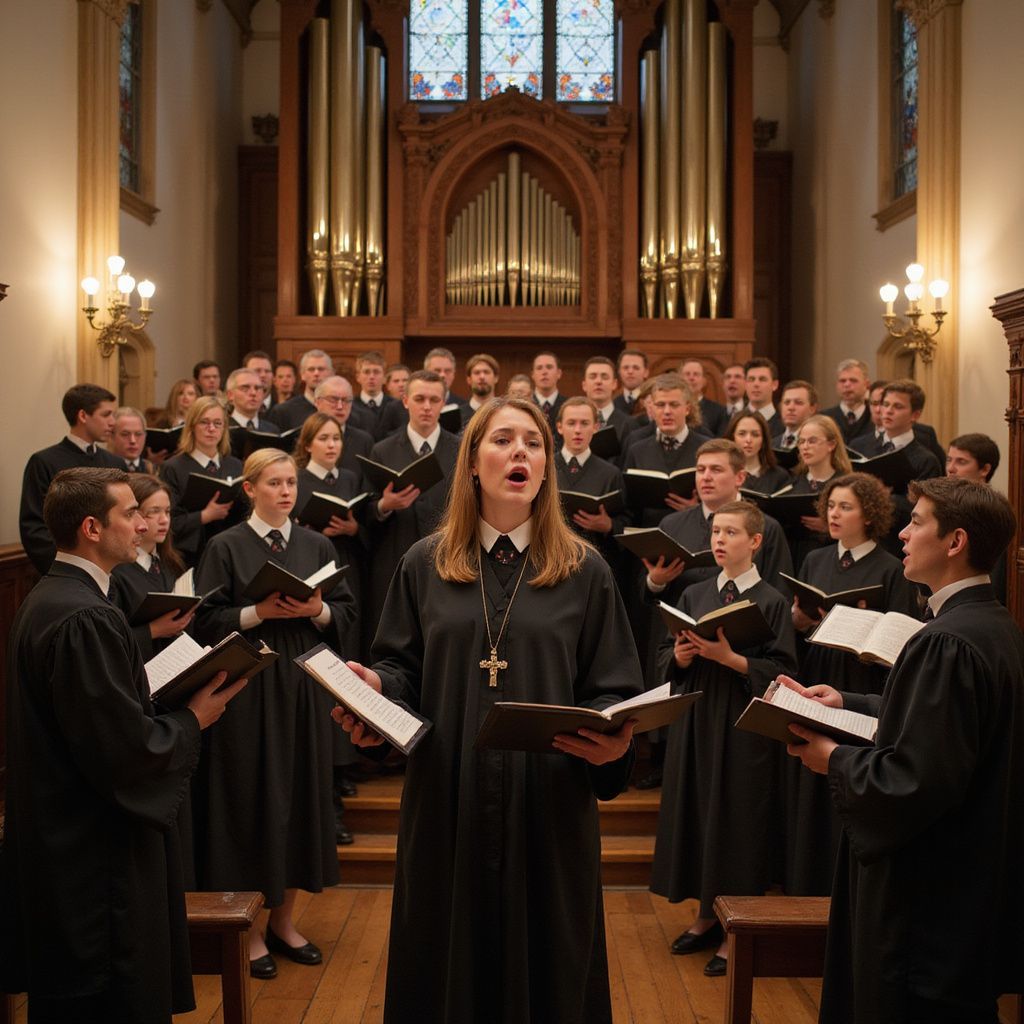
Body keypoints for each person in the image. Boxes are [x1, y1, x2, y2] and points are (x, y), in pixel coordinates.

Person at [338, 396, 643, 1023]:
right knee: (446, 951)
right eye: (503, 440)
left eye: (533, 443)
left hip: (549, 798)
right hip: (448, 791)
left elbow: (612, 686)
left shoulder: (585, 570)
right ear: (472, 463)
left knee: (551, 957)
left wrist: (615, 740)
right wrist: (376, 693)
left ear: (547, 468)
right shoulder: (424, 564)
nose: (520, 453)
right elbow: (400, 668)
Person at [0, 466, 244, 1024]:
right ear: (92, 527)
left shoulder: (58, 597)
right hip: (92, 859)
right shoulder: (83, 615)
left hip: (68, 843)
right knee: (106, 999)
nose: (143, 525)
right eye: (130, 514)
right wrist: (192, 719)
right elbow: (122, 751)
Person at [783, 477, 1024, 1024]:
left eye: (917, 522)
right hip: (971, 883)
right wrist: (845, 699)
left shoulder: (945, 640)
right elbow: (935, 725)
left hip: (929, 900)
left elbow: (917, 777)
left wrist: (832, 759)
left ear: (955, 541)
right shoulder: (992, 624)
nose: (904, 536)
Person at [193, 449, 356, 979]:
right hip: (246, 689)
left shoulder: (315, 543)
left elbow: (349, 612)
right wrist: (255, 612)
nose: (287, 491)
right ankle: (252, 929)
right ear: (250, 488)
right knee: (251, 800)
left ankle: (285, 921)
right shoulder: (225, 545)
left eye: (292, 482)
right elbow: (202, 621)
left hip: (304, 684)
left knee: (297, 799)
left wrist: (320, 609)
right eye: (275, 483)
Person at [650, 499, 797, 976]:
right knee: (698, 811)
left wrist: (730, 659)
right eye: (716, 532)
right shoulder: (694, 593)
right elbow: (663, 656)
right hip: (698, 719)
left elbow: (786, 673)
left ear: (755, 542)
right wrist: (682, 658)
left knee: (738, 819)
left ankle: (737, 929)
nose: (719, 540)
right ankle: (702, 914)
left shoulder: (772, 600)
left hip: (744, 725)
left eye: (731, 533)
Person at [781, 472, 918, 896]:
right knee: (813, 781)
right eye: (832, 506)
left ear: (869, 515)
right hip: (819, 673)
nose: (834, 514)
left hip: (861, 679)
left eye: (846, 507)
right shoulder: (815, 560)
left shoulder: (891, 567)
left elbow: (900, 634)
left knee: (848, 777)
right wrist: (802, 622)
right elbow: (799, 622)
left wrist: (860, 629)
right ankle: (807, 885)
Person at [293, 413, 367, 843]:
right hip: (306, 579)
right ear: (308, 443)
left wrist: (355, 527)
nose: (332, 444)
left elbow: (366, 528)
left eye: (336, 437)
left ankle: (345, 766)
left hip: (343, 579)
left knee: (349, 672)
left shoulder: (352, 476)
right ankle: (330, 780)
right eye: (323, 437)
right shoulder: (297, 480)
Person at [365, 370, 460, 633]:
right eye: (419, 399)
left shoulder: (461, 450)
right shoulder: (382, 449)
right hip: (396, 556)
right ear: (406, 401)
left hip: (448, 558)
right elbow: (367, 509)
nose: (427, 407)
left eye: (434, 399)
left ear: (444, 402)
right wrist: (385, 505)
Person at [19, 383, 124, 575]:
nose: (113, 422)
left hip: (115, 571)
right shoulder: (44, 461)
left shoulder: (115, 462)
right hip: (69, 574)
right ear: (83, 416)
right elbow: (34, 529)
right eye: (106, 414)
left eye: (113, 415)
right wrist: (73, 568)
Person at [110, 473, 195, 661]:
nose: (164, 520)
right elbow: (109, 642)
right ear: (132, 515)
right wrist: (152, 631)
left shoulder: (171, 562)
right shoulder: (116, 572)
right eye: (154, 511)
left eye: (167, 511)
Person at [160, 396, 244, 567]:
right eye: (204, 422)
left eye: (217, 423)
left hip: (230, 552)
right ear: (191, 427)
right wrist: (204, 516)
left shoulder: (235, 465)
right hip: (189, 556)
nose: (211, 429)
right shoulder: (173, 467)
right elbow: (167, 521)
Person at [622, 374, 706, 527]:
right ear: (652, 409)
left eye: (674, 405)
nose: (667, 411)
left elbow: (723, 502)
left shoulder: (707, 449)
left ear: (687, 408)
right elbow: (628, 505)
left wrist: (698, 509)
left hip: (693, 533)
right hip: (648, 538)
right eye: (660, 405)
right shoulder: (637, 450)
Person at [554, 396, 627, 564]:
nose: (578, 430)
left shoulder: (611, 473)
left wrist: (609, 525)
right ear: (559, 427)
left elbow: (626, 520)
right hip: (551, 557)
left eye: (585, 423)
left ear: (596, 427)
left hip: (595, 560)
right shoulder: (544, 467)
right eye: (571, 423)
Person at [785, 414, 854, 570]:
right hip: (794, 557)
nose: (805, 446)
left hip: (832, 561)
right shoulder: (791, 483)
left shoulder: (846, 485)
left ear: (831, 445)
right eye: (801, 441)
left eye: (812, 441)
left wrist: (830, 527)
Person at [946, 432, 1006, 603]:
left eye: (961, 462)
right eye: (949, 460)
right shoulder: (947, 504)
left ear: (985, 469)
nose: (951, 468)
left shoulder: (994, 513)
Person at [313, 375, 375, 481]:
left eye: (346, 400)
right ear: (318, 402)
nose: (340, 406)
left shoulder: (364, 441)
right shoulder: (303, 436)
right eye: (333, 400)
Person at [581, 355, 639, 463]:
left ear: (614, 384)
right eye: (593, 376)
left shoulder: (630, 424)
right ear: (584, 385)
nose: (599, 381)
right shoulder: (573, 423)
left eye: (604, 377)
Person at [267, 349, 334, 432]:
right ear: (302, 374)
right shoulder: (283, 411)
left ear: (331, 373)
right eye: (311, 369)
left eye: (321, 369)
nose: (316, 373)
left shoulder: (342, 408)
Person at [725, 410, 790, 494]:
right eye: (742, 434)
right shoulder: (724, 474)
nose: (748, 440)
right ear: (732, 438)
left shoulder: (780, 476)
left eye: (755, 434)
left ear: (763, 440)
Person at [226, 367, 280, 454]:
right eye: (245, 388)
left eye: (258, 388)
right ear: (230, 395)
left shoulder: (272, 430)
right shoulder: (223, 429)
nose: (253, 393)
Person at [821, 358, 874, 444]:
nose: (847, 385)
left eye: (853, 380)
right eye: (842, 381)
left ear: (866, 384)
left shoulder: (875, 417)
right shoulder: (824, 418)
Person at [351, 350, 395, 439]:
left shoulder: (395, 406)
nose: (371, 377)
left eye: (376, 372)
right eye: (366, 372)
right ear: (358, 377)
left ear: (384, 378)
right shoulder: (350, 406)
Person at [680, 358, 729, 436]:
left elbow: (721, 442)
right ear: (680, 379)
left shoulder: (719, 411)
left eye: (696, 374)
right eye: (687, 374)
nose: (691, 378)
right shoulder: (672, 407)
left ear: (704, 381)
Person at [773, 379, 819, 449]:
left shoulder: (818, 443)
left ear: (812, 408)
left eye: (798, 402)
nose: (791, 408)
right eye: (787, 402)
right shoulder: (770, 445)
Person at [109, 405, 155, 473]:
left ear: (145, 436)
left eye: (138, 434)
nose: (133, 441)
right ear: (112, 436)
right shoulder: (102, 468)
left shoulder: (154, 470)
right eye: (125, 434)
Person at [743, 357, 783, 435]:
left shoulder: (784, 425)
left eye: (762, 379)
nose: (756, 384)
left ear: (775, 385)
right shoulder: (734, 421)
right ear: (745, 385)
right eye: (751, 379)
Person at [461, 352, 501, 426]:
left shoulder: (504, 412)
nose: (482, 377)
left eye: (486, 372)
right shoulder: (457, 417)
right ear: (469, 379)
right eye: (477, 373)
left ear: (496, 378)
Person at [531, 349, 566, 430]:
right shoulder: (525, 405)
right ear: (532, 374)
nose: (544, 372)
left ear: (559, 373)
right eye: (539, 368)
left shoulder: (569, 406)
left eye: (549, 367)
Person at [614, 348, 650, 415]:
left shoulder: (653, 403)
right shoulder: (612, 405)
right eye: (626, 368)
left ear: (646, 372)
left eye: (636, 368)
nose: (630, 372)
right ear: (619, 372)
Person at [242, 349, 276, 415]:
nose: (263, 375)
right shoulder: (234, 408)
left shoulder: (284, 408)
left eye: (267, 371)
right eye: (257, 371)